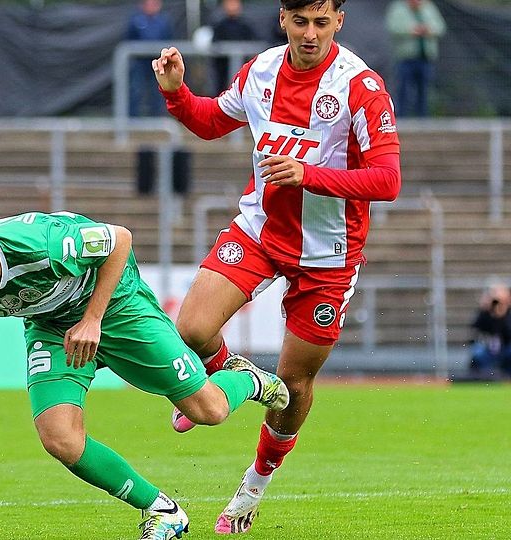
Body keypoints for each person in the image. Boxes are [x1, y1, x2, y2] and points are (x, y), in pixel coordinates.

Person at [152, 0, 401, 533]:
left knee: (293, 383)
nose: (310, 34)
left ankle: (253, 487)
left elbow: (388, 180)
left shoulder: (361, 87)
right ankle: (233, 373)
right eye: (300, 21)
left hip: (328, 256)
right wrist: (177, 93)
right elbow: (211, 122)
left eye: (321, 23)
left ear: (339, 21)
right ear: (283, 18)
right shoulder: (261, 70)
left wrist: (309, 175)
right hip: (260, 231)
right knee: (191, 329)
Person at [0, 198, 290, 540]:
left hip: (117, 307)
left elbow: (119, 239)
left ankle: (248, 378)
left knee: (209, 410)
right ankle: (161, 510)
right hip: (51, 326)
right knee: (59, 437)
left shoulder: (40, 242)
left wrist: (93, 319)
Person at [385, 0, 446, 118]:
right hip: (405, 58)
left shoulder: (429, 7)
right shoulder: (398, 8)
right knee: (403, 89)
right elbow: (392, 26)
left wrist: (428, 30)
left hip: (425, 58)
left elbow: (440, 27)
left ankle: (423, 119)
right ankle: (401, 119)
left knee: (424, 90)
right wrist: (411, 30)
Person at [126, 0, 174, 117]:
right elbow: (128, 40)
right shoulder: (135, 20)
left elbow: (168, 41)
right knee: (136, 90)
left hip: (159, 64)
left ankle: (157, 119)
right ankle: (133, 121)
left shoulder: (164, 22)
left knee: (158, 91)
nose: (151, 6)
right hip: (139, 63)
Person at [210, 0, 258, 94]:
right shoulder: (219, 25)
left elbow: (254, 44)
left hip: (243, 68)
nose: (232, 6)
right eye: (229, 3)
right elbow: (215, 45)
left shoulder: (246, 25)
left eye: (234, 3)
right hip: (223, 68)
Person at [468, 284, 511, 379]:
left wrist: (502, 314)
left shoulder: (508, 313)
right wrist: (488, 312)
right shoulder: (485, 313)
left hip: (505, 347)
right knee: (478, 353)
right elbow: (475, 329)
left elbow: (508, 332)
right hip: (487, 347)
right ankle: (486, 378)